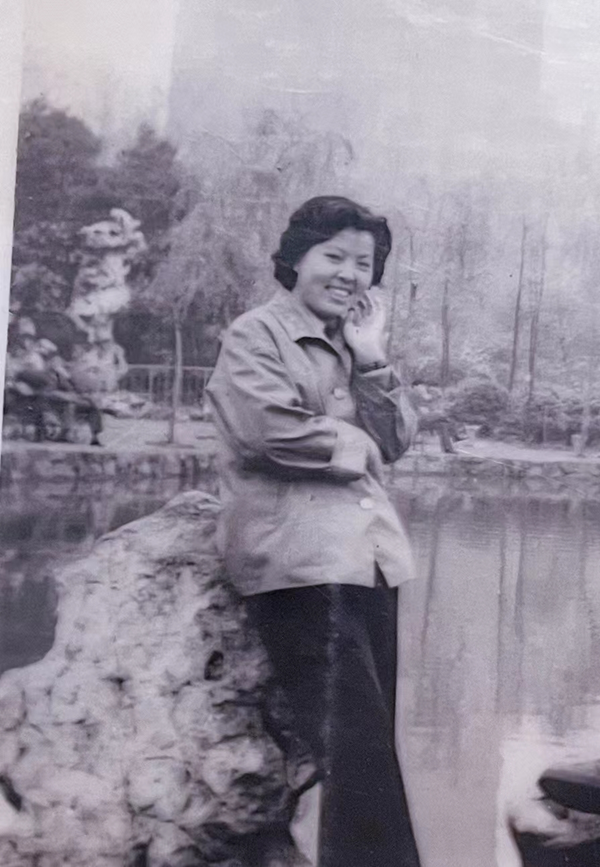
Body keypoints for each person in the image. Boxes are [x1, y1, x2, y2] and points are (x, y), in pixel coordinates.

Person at [206, 196, 421, 867]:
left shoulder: (353, 345)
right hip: (296, 563)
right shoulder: (255, 334)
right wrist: (355, 445)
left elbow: (397, 439)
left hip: (370, 561)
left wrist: (372, 357)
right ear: (296, 257)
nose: (350, 274)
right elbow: (266, 431)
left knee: (367, 753)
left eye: (364, 263)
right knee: (358, 752)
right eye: (334, 256)